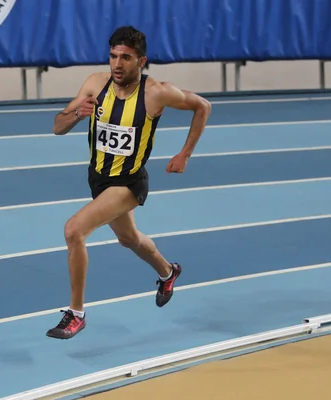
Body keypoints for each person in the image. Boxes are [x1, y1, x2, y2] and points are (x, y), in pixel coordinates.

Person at [46, 26, 212, 340]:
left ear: (141, 61)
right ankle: (168, 271)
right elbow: (58, 126)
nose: (117, 64)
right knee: (130, 239)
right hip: (98, 179)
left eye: (126, 58)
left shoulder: (156, 92)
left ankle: (76, 314)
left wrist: (185, 154)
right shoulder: (96, 84)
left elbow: (203, 106)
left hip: (129, 183)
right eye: (113, 56)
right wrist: (77, 115)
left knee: (74, 230)